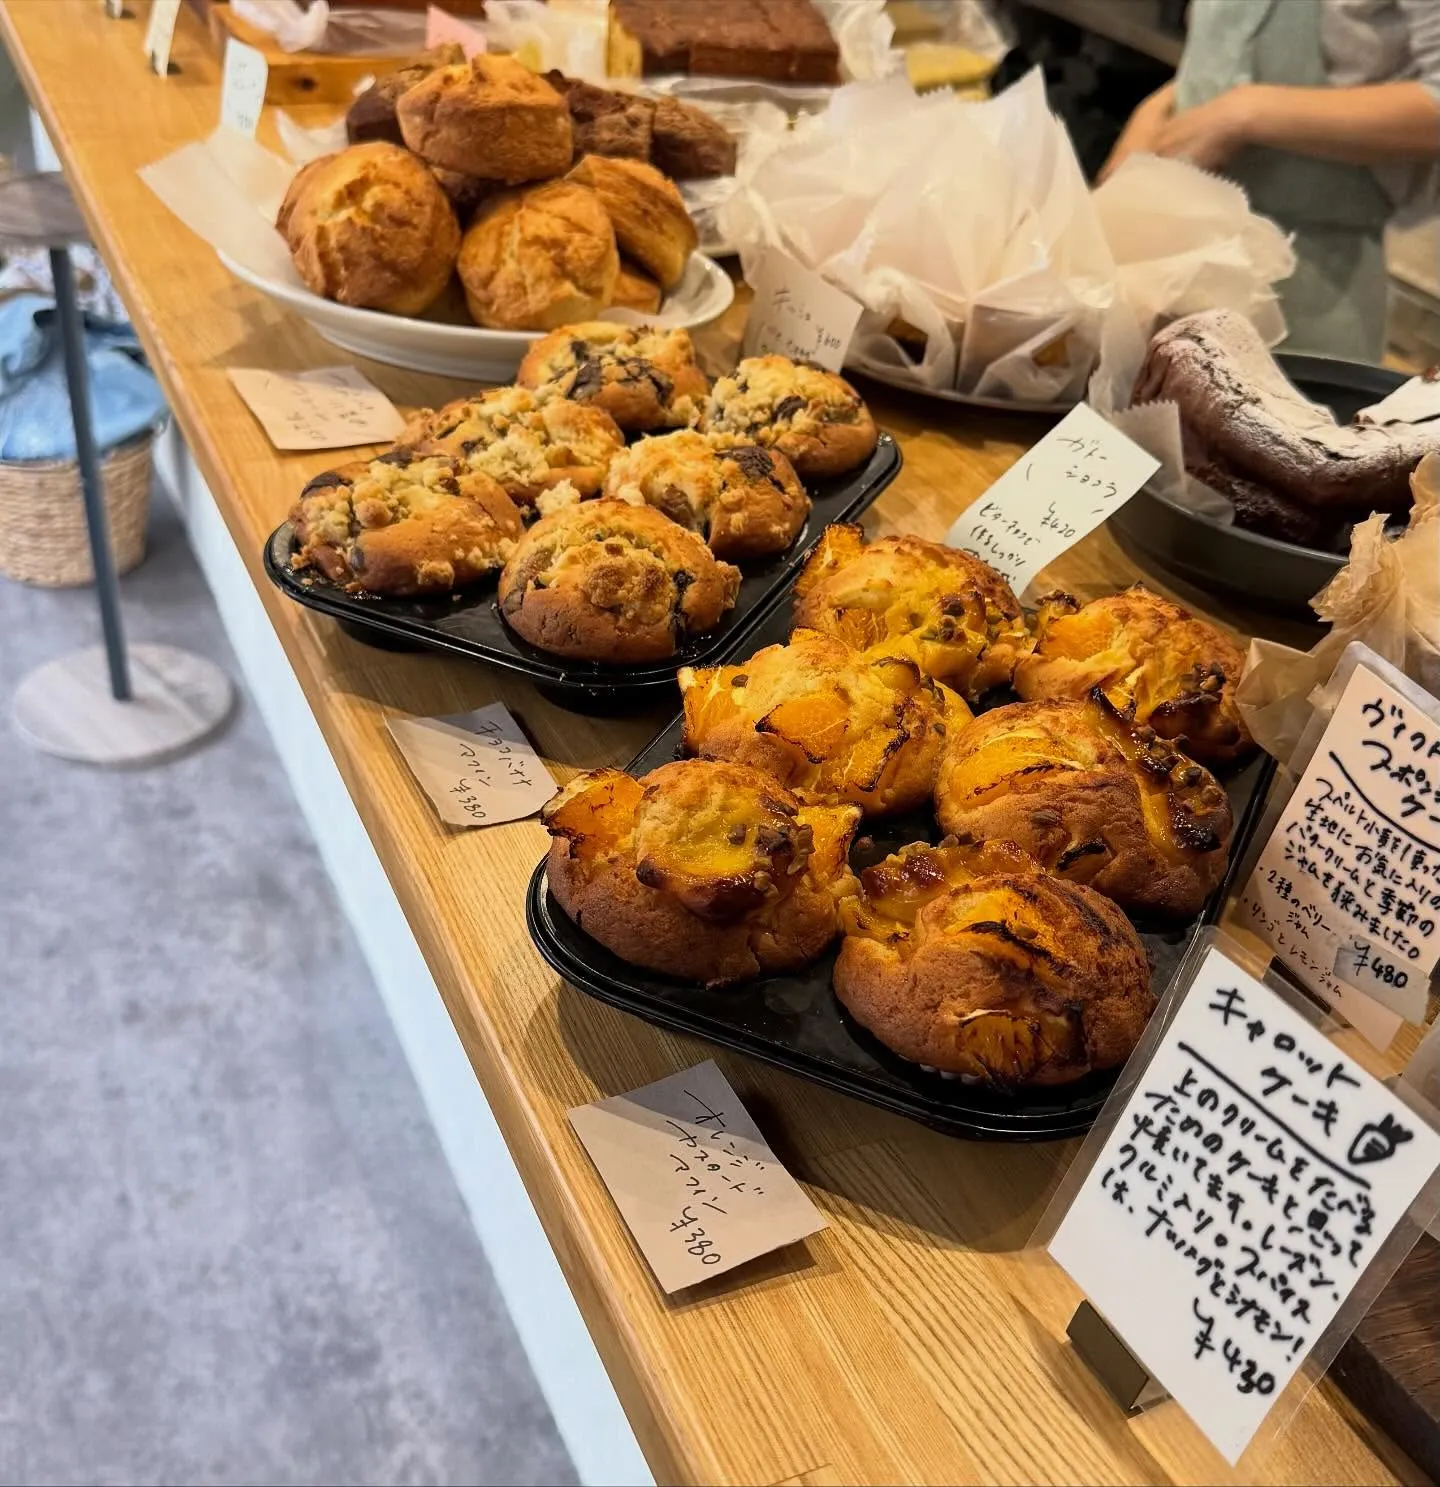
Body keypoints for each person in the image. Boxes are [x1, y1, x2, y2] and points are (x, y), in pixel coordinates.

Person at [1101, 0, 1440, 363]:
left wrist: (1244, 113)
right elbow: (1229, 49)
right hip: (1171, 262)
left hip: (1309, 287)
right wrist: (1155, 114)